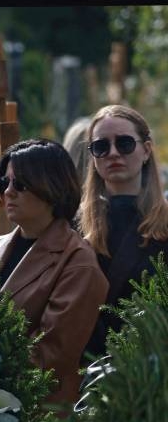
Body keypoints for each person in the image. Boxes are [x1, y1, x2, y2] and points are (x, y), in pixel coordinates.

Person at [0, 139, 107, 405]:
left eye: (20, 184)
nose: (8, 192)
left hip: (38, 417)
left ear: (51, 187)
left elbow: (50, 354)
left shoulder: (78, 262)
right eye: (4, 183)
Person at [77, 105, 168, 354]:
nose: (113, 153)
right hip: (88, 371)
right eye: (101, 146)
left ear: (146, 150)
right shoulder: (75, 229)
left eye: (125, 143)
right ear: (93, 158)